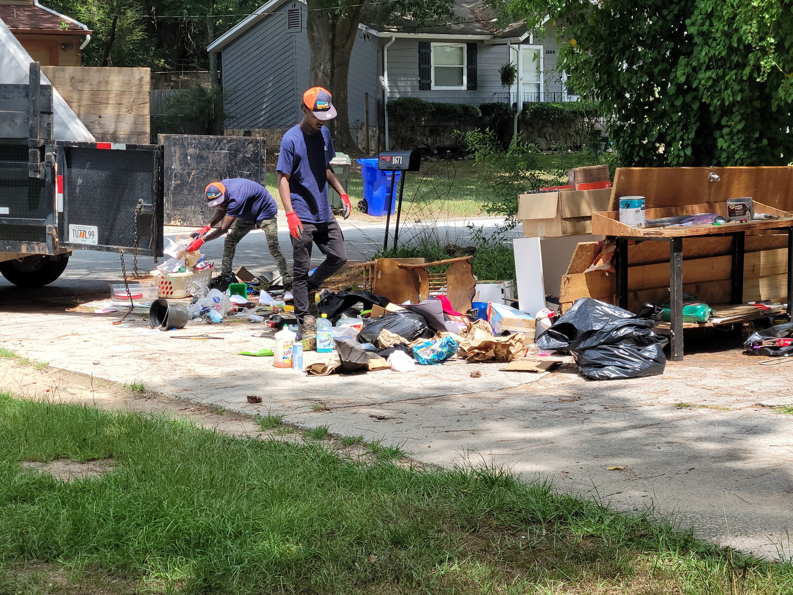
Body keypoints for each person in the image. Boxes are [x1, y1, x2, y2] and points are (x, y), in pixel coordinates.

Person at [276, 87, 350, 322]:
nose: (321, 121)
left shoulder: (325, 135)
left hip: (323, 211)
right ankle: (302, 318)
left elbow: (326, 168)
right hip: (301, 214)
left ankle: (310, 285)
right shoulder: (291, 140)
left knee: (339, 257)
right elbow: (282, 179)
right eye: (317, 116)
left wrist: (342, 193)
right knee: (300, 268)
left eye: (325, 116)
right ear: (305, 110)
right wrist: (290, 214)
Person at [186, 179, 291, 290]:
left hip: (265, 212)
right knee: (230, 240)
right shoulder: (221, 190)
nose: (220, 206)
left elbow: (223, 229)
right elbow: (222, 209)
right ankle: (226, 278)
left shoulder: (236, 199)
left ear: (224, 194)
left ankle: (287, 280)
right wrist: (207, 227)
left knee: (273, 246)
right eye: (216, 204)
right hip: (246, 212)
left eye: (221, 202)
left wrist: (202, 241)